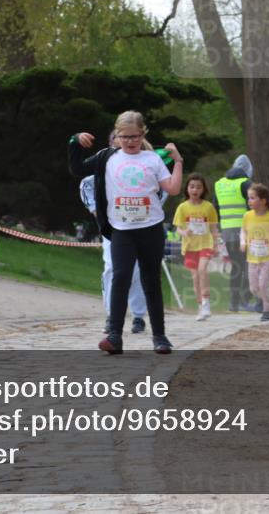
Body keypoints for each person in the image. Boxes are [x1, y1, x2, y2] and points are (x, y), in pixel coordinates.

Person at [69, 110, 183, 355]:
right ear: (116, 136)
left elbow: (172, 189)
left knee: (151, 281)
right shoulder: (106, 157)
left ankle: (160, 337)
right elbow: (77, 168)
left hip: (150, 229)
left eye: (135, 136)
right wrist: (75, 141)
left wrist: (179, 162)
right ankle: (115, 336)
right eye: (124, 136)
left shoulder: (152, 159)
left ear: (143, 134)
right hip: (121, 229)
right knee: (120, 277)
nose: (130, 141)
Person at [78, 138, 148, 335]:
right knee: (111, 268)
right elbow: (85, 183)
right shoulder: (104, 165)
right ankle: (112, 315)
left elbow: (161, 190)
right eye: (118, 141)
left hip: (139, 226)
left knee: (136, 270)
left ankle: (138, 315)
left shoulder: (142, 165)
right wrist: (95, 210)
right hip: (112, 227)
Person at [173, 172, 220, 321]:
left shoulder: (209, 207)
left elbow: (213, 228)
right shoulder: (182, 207)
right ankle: (201, 306)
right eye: (192, 187)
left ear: (203, 190)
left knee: (202, 270)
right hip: (190, 246)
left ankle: (206, 303)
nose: (195, 190)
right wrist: (184, 232)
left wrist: (216, 245)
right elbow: (178, 228)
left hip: (205, 244)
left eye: (198, 187)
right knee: (195, 277)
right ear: (187, 189)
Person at [214, 155, 256, 311]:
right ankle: (244, 300)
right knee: (247, 266)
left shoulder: (219, 184)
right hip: (245, 231)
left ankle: (234, 303)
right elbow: (254, 205)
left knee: (236, 266)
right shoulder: (246, 183)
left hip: (227, 231)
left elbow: (216, 208)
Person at [241, 183, 269, 322]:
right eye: (249, 198)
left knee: (263, 285)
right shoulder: (247, 216)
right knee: (254, 288)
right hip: (252, 257)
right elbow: (243, 231)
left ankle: (267, 311)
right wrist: (243, 242)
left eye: (252, 198)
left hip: (267, 257)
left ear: (263, 200)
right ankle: (261, 300)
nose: (249, 201)